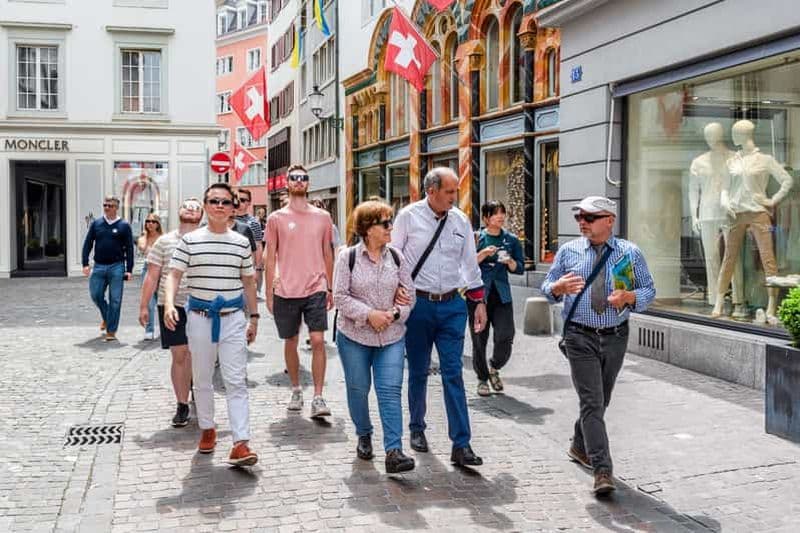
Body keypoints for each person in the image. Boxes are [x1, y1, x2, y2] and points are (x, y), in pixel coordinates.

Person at [541, 196, 655, 496]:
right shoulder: (569, 251)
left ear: (609, 220)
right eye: (580, 217)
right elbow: (547, 287)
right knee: (592, 402)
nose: (582, 223)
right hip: (580, 335)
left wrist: (629, 298)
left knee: (600, 401)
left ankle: (580, 445)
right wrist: (557, 288)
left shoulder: (630, 253)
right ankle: (602, 470)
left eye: (590, 218)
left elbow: (648, 290)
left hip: (615, 334)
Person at [391, 167, 488, 467]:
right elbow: (393, 257)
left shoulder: (460, 219)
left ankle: (461, 444)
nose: (454, 197)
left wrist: (479, 302)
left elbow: (470, 265)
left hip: (452, 307)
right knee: (419, 370)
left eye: (455, 192)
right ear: (431, 191)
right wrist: (395, 293)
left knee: (453, 373)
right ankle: (416, 428)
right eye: (449, 192)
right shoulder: (407, 217)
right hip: (418, 304)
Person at [164, 182, 260, 466]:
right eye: (214, 201)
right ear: (206, 206)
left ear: (233, 208)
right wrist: (170, 303)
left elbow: (249, 282)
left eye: (225, 202)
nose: (219, 206)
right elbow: (173, 275)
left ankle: (241, 442)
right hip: (200, 318)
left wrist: (254, 317)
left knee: (235, 380)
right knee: (203, 378)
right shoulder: (190, 241)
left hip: (232, 318)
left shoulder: (241, 242)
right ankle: (207, 428)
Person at [333, 200, 416, 474]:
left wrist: (392, 314)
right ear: (368, 229)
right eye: (385, 223)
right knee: (358, 388)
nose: (390, 227)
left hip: (391, 336)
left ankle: (394, 451)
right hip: (355, 336)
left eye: (390, 221)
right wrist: (370, 314)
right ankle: (364, 433)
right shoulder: (348, 257)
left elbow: (410, 295)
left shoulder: (396, 257)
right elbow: (340, 297)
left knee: (390, 391)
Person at [265, 164, 335, 418]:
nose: (299, 181)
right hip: (286, 289)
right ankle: (296, 389)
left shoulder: (322, 217)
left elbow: (328, 252)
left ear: (308, 183)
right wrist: (269, 292)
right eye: (294, 178)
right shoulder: (276, 219)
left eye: (303, 178)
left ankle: (318, 396)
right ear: (287, 183)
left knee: (317, 340)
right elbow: (270, 256)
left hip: (315, 286)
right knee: (291, 341)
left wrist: (330, 286)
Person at [138, 199, 202, 427]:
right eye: (187, 205)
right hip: (171, 305)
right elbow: (152, 275)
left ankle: (195, 387)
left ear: (202, 215)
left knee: (197, 354)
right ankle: (182, 403)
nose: (191, 208)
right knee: (180, 354)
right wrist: (144, 305)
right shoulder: (164, 242)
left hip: (201, 306)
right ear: (179, 211)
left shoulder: (208, 239)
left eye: (196, 206)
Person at [470, 201, 525, 397]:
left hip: (502, 295)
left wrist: (509, 261)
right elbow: (466, 265)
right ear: (486, 218)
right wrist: (483, 254)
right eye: (495, 214)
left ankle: (494, 366)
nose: (500, 217)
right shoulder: (476, 238)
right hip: (478, 296)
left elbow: (520, 268)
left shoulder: (511, 239)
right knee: (479, 339)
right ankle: (482, 379)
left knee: (505, 335)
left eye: (502, 213)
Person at [82, 196, 135, 342]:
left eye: (110, 205)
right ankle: (106, 316)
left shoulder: (124, 225)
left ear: (116, 207)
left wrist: (129, 269)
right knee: (96, 294)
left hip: (117, 267)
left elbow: (130, 248)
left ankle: (111, 330)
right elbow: (88, 243)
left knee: (115, 300)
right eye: (105, 205)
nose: (107, 208)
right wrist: (85, 263)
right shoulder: (96, 224)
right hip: (98, 266)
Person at [137, 213, 163, 340]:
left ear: (158, 224)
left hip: (163, 270)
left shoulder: (163, 238)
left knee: (163, 301)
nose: (150, 224)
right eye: (148, 221)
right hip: (148, 268)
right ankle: (149, 329)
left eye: (153, 221)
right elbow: (142, 247)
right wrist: (146, 237)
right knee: (149, 301)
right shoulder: (143, 238)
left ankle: (165, 329)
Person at [235, 189, 265, 298]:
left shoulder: (253, 223)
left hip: (247, 269)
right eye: (237, 199)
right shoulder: (226, 219)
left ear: (249, 202)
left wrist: (258, 269)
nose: (239, 202)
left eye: (243, 200)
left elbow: (258, 245)